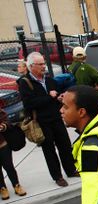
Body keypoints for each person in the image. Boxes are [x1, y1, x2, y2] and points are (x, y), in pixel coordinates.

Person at [18, 52, 78, 187]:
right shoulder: (25, 82)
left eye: (44, 63)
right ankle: (57, 176)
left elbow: (55, 98)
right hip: (41, 122)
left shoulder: (50, 80)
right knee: (49, 150)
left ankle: (71, 170)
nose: (44, 66)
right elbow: (29, 104)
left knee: (65, 145)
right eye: (40, 64)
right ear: (31, 66)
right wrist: (49, 97)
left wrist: (59, 98)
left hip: (56, 119)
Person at [0, 109, 26, 200]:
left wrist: (3, 126)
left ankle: (16, 185)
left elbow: (6, 119)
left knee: (9, 166)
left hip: (2, 144)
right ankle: (2, 188)